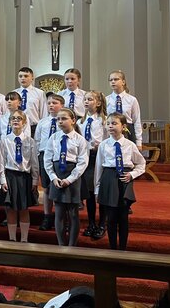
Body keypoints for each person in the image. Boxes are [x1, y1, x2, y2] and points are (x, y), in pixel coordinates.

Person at [94, 113, 146, 250]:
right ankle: (112, 248)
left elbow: (141, 163)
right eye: (109, 123)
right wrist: (97, 188)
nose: (111, 126)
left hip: (124, 179)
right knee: (110, 218)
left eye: (114, 123)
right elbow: (99, 168)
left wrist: (132, 174)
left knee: (123, 218)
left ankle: (122, 248)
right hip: (109, 178)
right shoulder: (104, 145)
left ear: (123, 127)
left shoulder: (129, 145)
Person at [45, 108, 88, 246]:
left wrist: (69, 180)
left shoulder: (80, 140)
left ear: (73, 120)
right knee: (59, 213)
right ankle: (61, 245)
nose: (60, 122)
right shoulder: (54, 138)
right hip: (57, 175)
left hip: (72, 176)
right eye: (58, 119)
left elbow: (82, 162)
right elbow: (47, 159)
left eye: (64, 119)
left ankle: (72, 246)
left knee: (73, 213)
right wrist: (53, 177)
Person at [0, 110, 39, 242]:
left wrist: (34, 180)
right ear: (10, 122)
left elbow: (34, 162)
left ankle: (24, 239)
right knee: (10, 209)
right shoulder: (5, 141)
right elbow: (1, 162)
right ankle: (12, 238)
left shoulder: (30, 141)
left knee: (23, 208)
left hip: (24, 177)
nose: (16, 120)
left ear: (24, 122)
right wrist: (3, 180)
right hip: (10, 176)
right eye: (13, 118)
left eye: (19, 118)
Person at [78, 91, 107, 240]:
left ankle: (102, 224)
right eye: (85, 99)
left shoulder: (104, 121)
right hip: (87, 158)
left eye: (90, 99)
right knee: (89, 193)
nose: (87, 102)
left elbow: (109, 140)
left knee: (100, 192)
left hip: (100, 157)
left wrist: (100, 146)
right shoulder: (80, 122)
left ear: (98, 103)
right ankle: (91, 223)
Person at [34, 93, 64, 231]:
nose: (51, 105)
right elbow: (38, 140)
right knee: (46, 188)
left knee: (59, 186)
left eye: (55, 103)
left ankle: (61, 217)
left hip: (59, 157)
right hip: (44, 155)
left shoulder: (63, 121)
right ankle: (47, 217)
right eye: (49, 103)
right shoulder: (43, 122)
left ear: (62, 105)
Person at [105, 70, 142, 149]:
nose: (113, 82)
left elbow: (137, 121)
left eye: (116, 79)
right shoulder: (106, 100)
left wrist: (139, 141)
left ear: (123, 82)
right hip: (112, 130)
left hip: (128, 130)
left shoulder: (132, 100)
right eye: (111, 80)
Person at [14, 67, 47, 135]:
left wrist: (42, 127)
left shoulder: (39, 93)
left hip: (34, 127)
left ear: (32, 78)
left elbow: (44, 112)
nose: (23, 78)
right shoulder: (14, 93)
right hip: (18, 126)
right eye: (20, 76)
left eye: (26, 76)